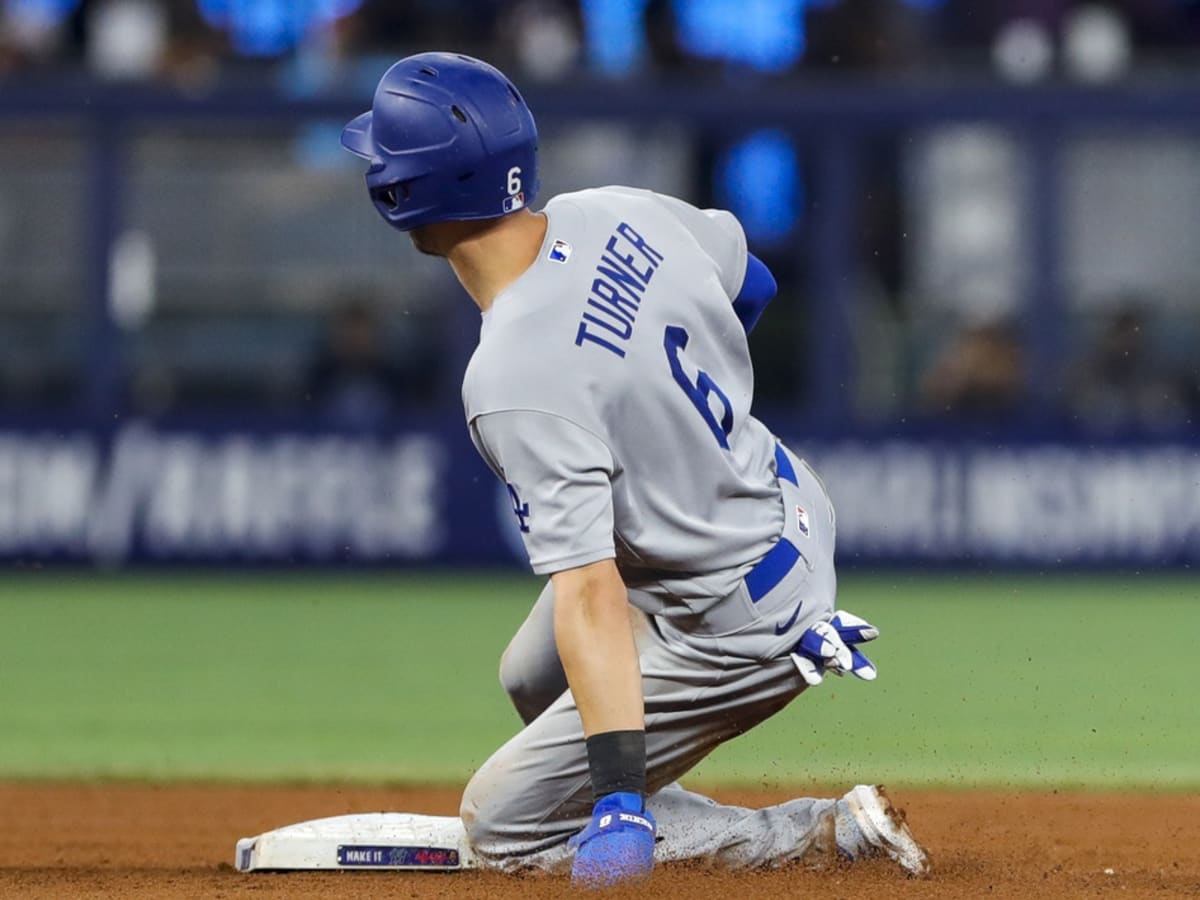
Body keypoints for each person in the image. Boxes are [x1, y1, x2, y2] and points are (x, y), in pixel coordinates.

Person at [340, 52, 930, 888]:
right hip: (787, 500)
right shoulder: (610, 210)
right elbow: (749, 284)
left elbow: (590, 591)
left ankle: (817, 836)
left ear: (402, 196)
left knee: (501, 823)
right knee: (530, 675)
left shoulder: (512, 378)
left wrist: (618, 800)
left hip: (735, 620)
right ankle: (656, 801)